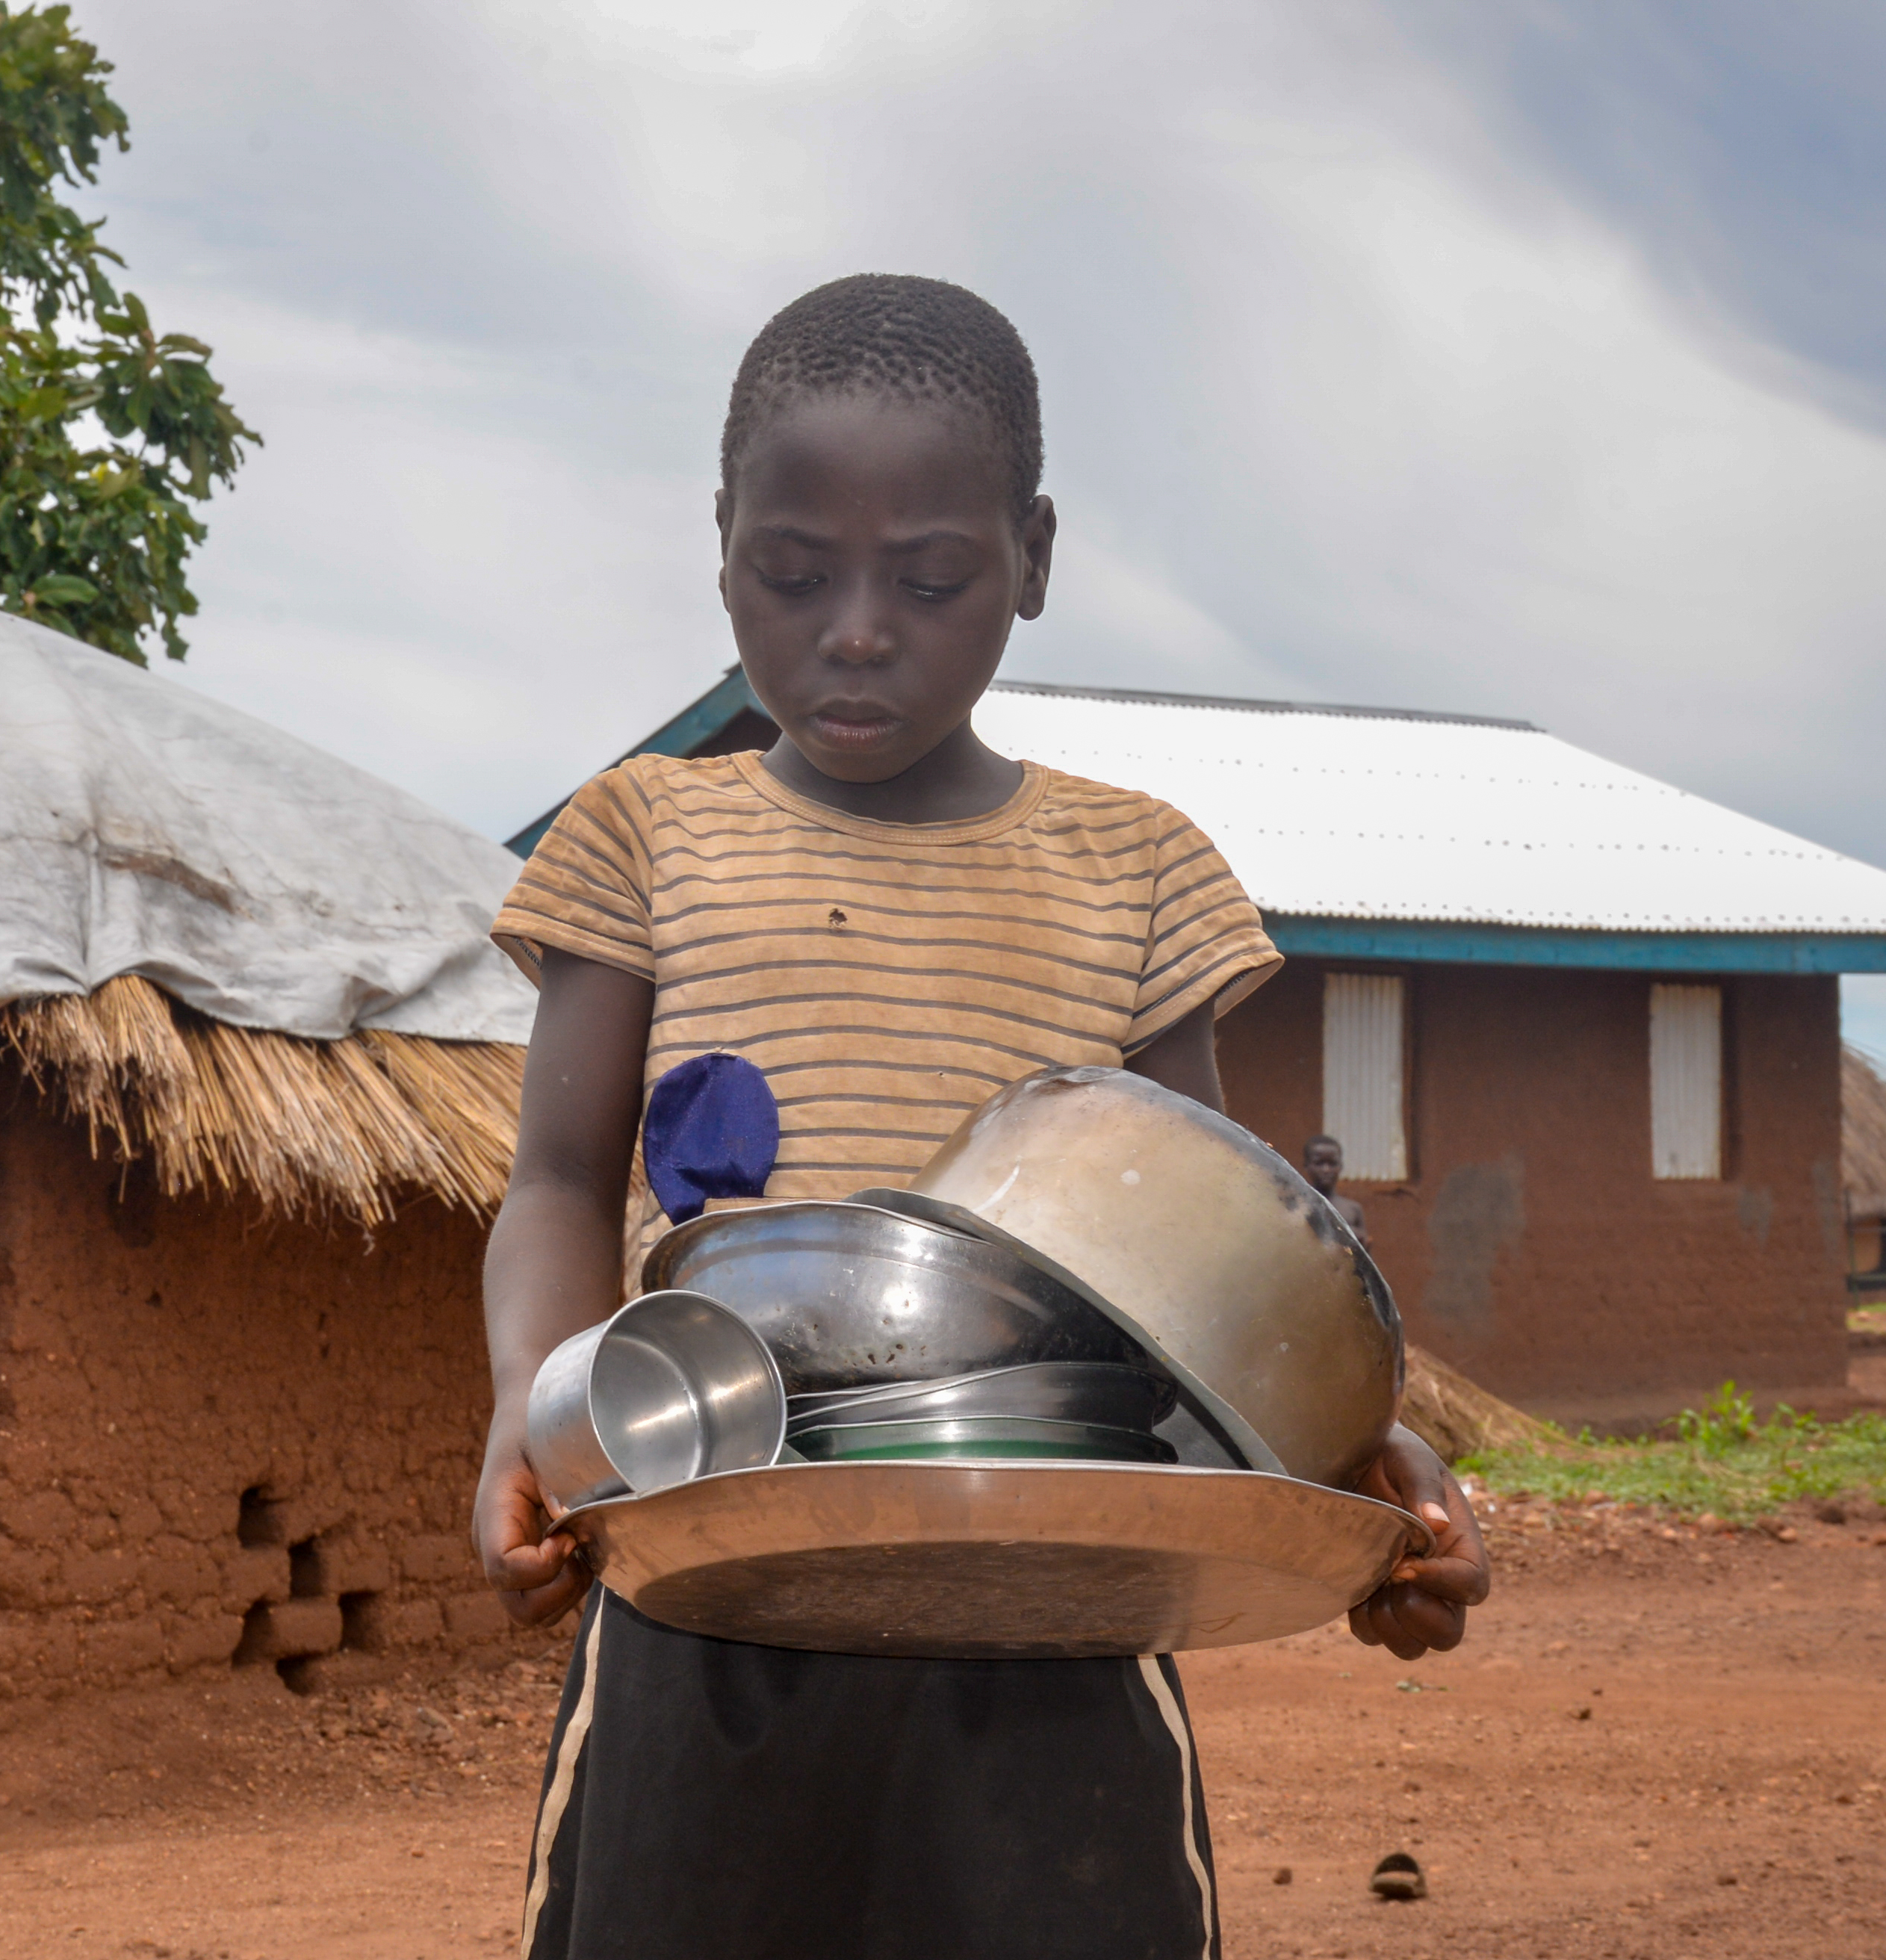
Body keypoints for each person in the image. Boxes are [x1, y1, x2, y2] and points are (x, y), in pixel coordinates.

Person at [477, 274, 1489, 1960]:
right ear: (720, 536)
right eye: (790, 574)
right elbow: (561, 1180)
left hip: (1058, 1612)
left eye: (930, 578)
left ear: (1033, 555)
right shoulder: (642, 831)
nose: (857, 627)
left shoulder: (1141, 869)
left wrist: (1365, 1475)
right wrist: (533, 1405)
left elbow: (1220, 1260)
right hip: (707, 1577)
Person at [1303, 1132, 1368, 1237]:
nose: (1326, 1170)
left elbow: (1364, 1250)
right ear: (1306, 1166)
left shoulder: (1353, 1209)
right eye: (1319, 1163)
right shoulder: (1298, 1206)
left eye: (1332, 1163)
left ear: (1341, 1166)